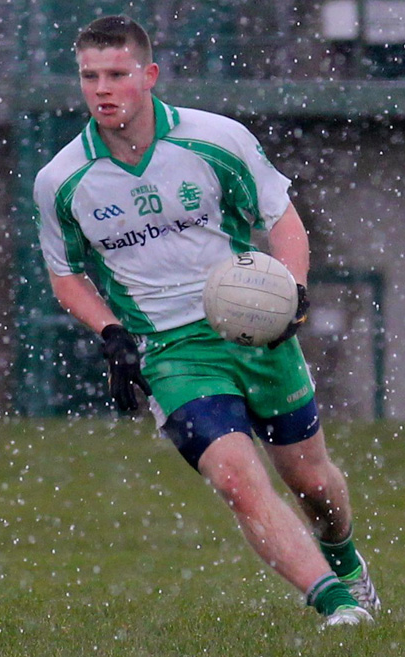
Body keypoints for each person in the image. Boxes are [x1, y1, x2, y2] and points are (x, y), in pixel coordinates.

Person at [33, 15, 380, 627]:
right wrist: (112, 334)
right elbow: (66, 276)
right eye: (90, 77)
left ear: (150, 75)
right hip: (172, 351)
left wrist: (293, 293)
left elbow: (283, 221)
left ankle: (348, 563)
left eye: (117, 74)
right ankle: (336, 605)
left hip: (253, 328)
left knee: (310, 479)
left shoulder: (216, 139)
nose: (102, 89)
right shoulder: (61, 179)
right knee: (237, 481)